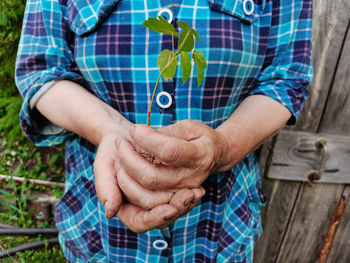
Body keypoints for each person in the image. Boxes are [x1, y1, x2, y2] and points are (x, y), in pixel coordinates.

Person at [15, 0, 312, 262]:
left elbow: (286, 79)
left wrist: (223, 147)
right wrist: (111, 130)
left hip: (220, 228)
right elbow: (40, 69)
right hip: (98, 228)